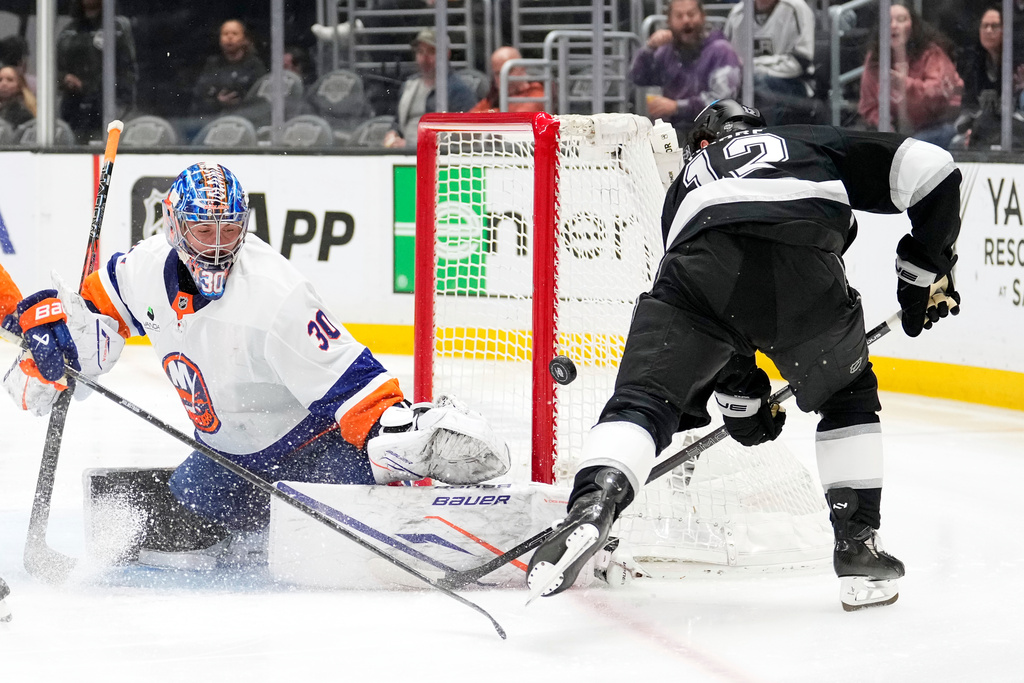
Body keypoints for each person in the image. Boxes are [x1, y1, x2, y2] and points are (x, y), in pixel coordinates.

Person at [526, 99, 962, 612]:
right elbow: (934, 169)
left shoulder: (686, 182)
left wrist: (741, 396)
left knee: (644, 401)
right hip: (805, 266)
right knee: (847, 395)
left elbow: (718, 311)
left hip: (699, 273)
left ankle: (594, 503)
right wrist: (921, 272)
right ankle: (858, 545)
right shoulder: (805, 141)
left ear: (702, 145)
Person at [2, 162, 510, 568]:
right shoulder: (145, 266)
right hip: (224, 457)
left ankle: (405, 459)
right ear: (174, 226)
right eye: (205, 231)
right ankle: (259, 521)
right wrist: (58, 342)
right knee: (170, 533)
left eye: (231, 229)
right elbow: (98, 312)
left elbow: (357, 387)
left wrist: (392, 428)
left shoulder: (276, 295)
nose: (220, 246)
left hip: (310, 454)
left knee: (328, 543)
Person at [629, 0, 741, 139]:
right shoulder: (667, 50)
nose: (686, 20)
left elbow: (722, 103)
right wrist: (649, 48)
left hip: (713, 134)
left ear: (702, 16)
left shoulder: (721, 50)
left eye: (691, 14)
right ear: (669, 21)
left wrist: (676, 107)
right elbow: (638, 78)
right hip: (671, 134)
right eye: (679, 16)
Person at [858, 1, 963, 149]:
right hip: (896, 132)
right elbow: (868, 105)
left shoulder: (932, 53)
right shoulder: (875, 58)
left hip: (936, 126)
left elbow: (939, 96)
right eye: (888, 21)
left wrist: (905, 85)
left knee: (911, 148)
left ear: (913, 26)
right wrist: (886, 127)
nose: (894, 25)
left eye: (901, 20)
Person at [722, 0, 818, 124]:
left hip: (794, 82)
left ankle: (764, 135)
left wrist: (753, 68)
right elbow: (726, 59)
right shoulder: (737, 12)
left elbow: (802, 61)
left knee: (756, 81)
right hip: (745, 80)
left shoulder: (796, 7)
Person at [56, 0, 138, 144]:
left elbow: (127, 71)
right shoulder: (69, 30)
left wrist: (89, 86)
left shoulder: (117, 27)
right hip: (72, 110)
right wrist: (65, 79)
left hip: (107, 108)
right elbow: (56, 69)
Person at [383, 29, 477, 148]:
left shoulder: (459, 91)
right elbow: (398, 123)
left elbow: (463, 140)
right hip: (402, 156)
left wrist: (410, 146)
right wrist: (392, 133)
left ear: (447, 54)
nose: (424, 58)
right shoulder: (409, 85)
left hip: (438, 161)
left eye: (431, 52)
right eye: (420, 52)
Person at [954, 7, 1024, 148]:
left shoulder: (1018, 62)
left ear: (1006, 29)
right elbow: (968, 104)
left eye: (994, 26)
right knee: (956, 143)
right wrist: (970, 126)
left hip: (1015, 129)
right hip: (981, 127)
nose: (989, 31)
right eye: (985, 26)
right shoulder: (973, 63)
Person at [190, 19, 267, 117]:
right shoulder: (213, 64)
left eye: (235, 34)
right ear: (220, 40)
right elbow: (200, 96)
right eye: (225, 34)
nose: (229, 37)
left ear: (244, 39)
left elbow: (261, 100)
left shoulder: (255, 65)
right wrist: (218, 102)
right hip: (216, 118)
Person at [469, 46, 545, 114]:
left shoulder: (537, 93)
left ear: (522, 68)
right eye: (498, 73)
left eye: (509, 71)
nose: (504, 77)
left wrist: (491, 113)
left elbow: (517, 117)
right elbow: (471, 116)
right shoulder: (494, 96)